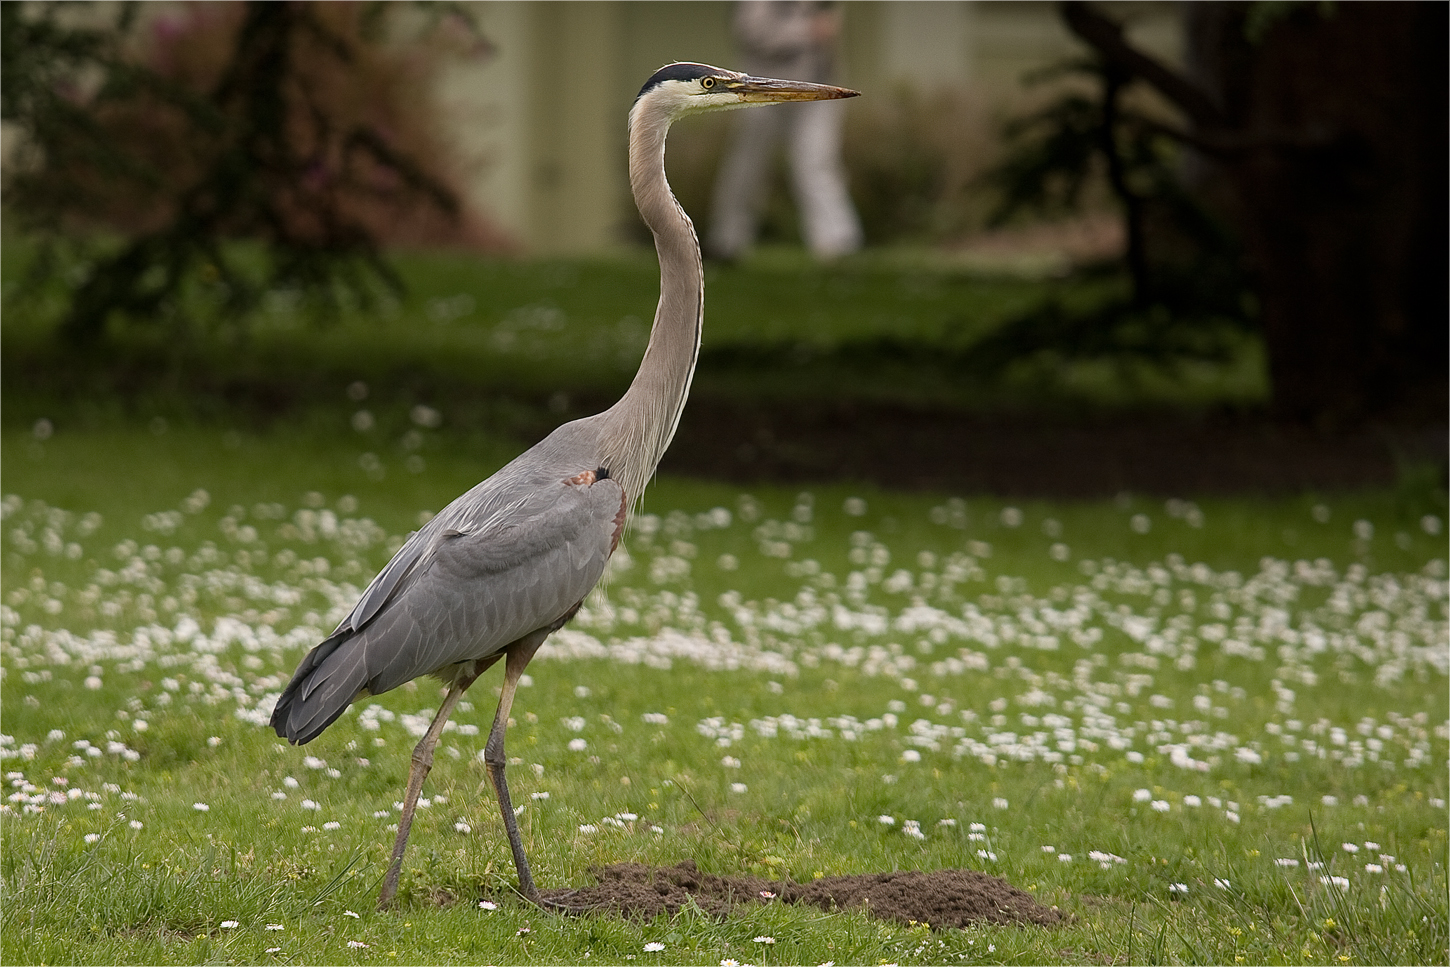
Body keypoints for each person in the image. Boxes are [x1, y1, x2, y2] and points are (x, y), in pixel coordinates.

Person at [707, 1, 863, 261]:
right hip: (760, 90)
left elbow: (829, 34)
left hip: (814, 90)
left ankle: (838, 244)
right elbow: (752, 33)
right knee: (747, 167)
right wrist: (807, 30)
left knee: (816, 163)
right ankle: (727, 241)